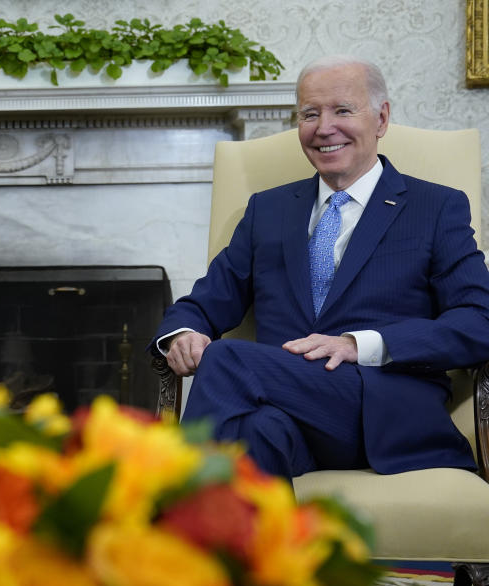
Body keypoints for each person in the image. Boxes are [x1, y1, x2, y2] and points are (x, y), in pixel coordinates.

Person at [149, 55, 489, 480]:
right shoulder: (267, 210)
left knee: (227, 358)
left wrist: (357, 344)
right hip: (286, 412)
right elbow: (207, 300)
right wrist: (182, 333)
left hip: (380, 409)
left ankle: (160, 517)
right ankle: (268, 547)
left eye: (343, 110)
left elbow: (479, 323)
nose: (324, 128)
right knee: (254, 433)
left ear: (381, 119)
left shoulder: (435, 207)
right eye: (310, 114)